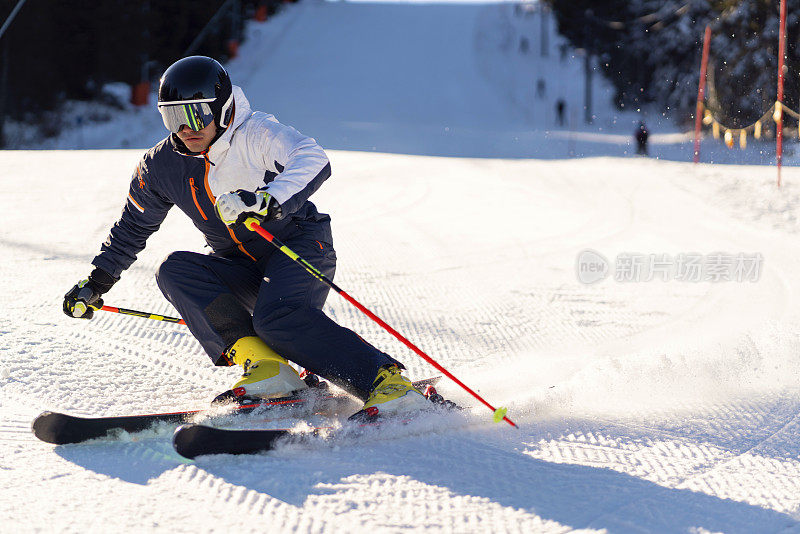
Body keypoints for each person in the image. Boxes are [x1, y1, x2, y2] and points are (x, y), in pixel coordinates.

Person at [62, 56, 429, 416]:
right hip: (238, 264)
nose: (186, 127)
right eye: (173, 116)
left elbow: (312, 157)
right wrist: (97, 281)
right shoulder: (160, 166)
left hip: (297, 246)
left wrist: (268, 201)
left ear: (222, 110)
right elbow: (132, 227)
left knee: (278, 319)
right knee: (174, 269)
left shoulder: (254, 133)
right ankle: (271, 370)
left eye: (196, 114)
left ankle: (387, 384)